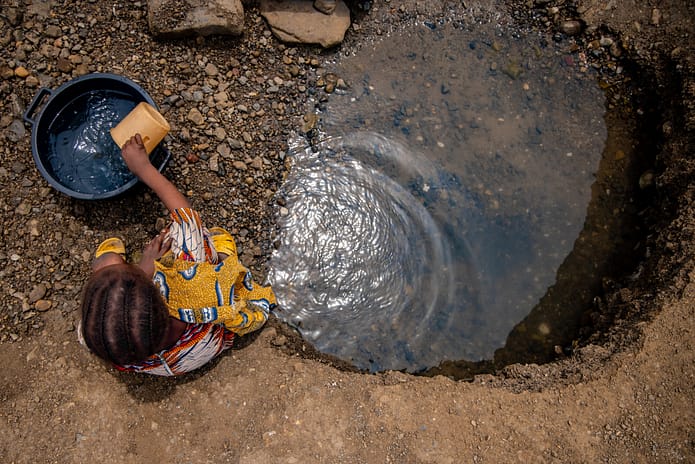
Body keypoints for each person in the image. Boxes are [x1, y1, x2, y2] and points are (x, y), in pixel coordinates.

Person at [78, 134, 276, 376]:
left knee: (106, 264)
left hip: (172, 363)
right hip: (203, 338)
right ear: (159, 292)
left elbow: (109, 321)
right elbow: (187, 219)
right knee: (215, 244)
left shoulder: (104, 341)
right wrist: (144, 168)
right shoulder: (190, 290)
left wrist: (140, 270)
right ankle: (220, 252)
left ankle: (111, 263)